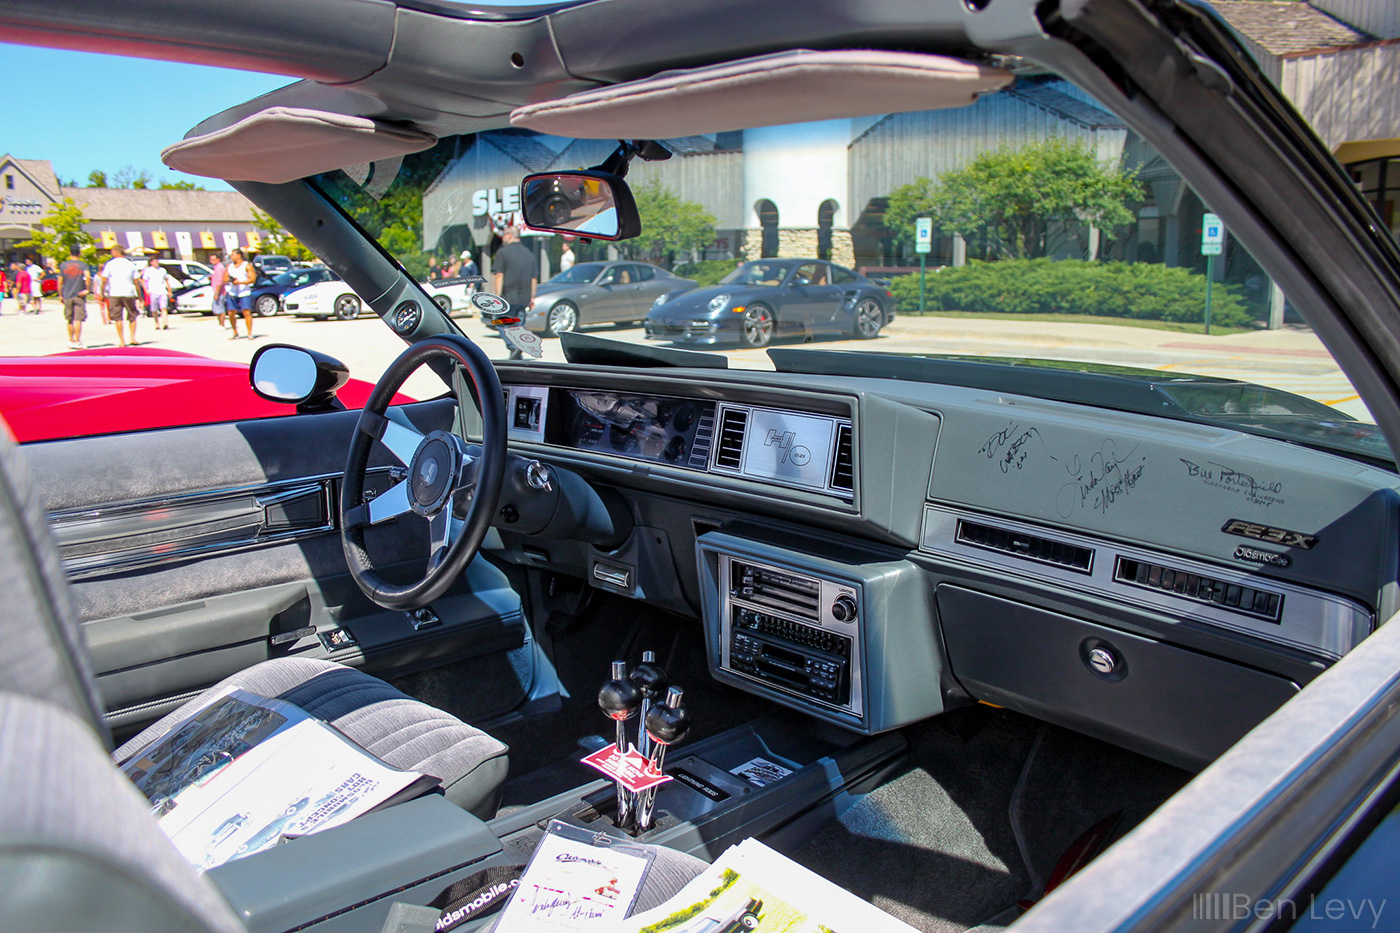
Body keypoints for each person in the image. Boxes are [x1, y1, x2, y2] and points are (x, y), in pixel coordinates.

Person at [492, 226, 537, 359]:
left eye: (504, 235)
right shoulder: (530, 254)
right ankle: (517, 353)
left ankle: (513, 347)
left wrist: (497, 296)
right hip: (524, 297)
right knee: (518, 324)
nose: (503, 238)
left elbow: (499, 275)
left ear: (509, 236)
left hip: (507, 296)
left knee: (499, 322)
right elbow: (533, 278)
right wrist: (532, 297)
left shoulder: (503, 253)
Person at [99, 244, 141, 347]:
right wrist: (139, 295)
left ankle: (122, 340)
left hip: (115, 293)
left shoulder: (110, 264)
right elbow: (136, 281)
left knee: (118, 318)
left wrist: (102, 292)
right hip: (129, 293)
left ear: (116, 252)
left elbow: (104, 280)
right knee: (132, 315)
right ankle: (132, 337)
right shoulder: (130, 264)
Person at [58, 247, 91, 348]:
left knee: (70, 319)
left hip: (68, 295)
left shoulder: (63, 265)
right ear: (79, 253)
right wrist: (87, 289)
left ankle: (70, 340)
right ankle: (77, 340)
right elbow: (88, 277)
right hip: (79, 294)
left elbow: (60, 282)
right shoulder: (83, 265)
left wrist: (60, 294)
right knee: (78, 319)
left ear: (69, 253)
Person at [225, 248, 256, 339]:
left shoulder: (247, 265)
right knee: (231, 312)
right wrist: (229, 279)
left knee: (246, 312)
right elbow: (224, 278)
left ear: (239, 255)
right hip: (232, 291)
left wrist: (240, 282)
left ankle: (249, 333)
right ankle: (235, 331)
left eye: (233, 254)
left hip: (244, 291)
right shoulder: (229, 266)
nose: (231, 256)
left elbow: (252, 279)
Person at [140, 256, 173, 330]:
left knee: (163, 308)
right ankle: (157, 323)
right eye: (155, 261)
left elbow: (166, 280)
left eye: (157, 261)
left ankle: (165, 323)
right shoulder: (148, 271)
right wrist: (146, 290)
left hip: (162, 291)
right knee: (154, 309)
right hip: (153, 291)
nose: (157, 262)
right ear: (151, 262)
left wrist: (169, 290)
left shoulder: (162, 270)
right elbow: (143, 281)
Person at [207, 251, 227, 327]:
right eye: (211, 259)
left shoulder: (219, 268)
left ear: (218, 259)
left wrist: (216, 293)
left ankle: (222, 324)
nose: (211, 261)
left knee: (220, 308)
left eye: (213, 259)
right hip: (217, 291)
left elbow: (219, 282)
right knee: (217, 308)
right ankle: (220, 324)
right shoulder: (216, 267)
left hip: (220, 292)